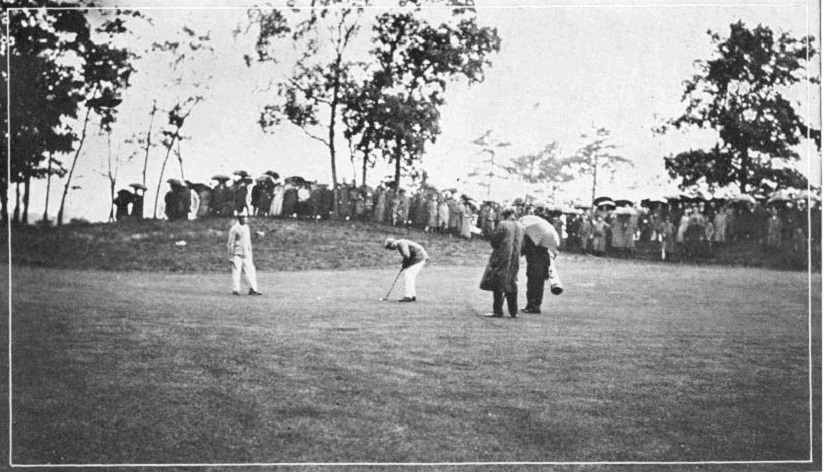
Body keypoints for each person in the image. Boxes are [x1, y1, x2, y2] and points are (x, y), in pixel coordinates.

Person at [480, 207, 525, 318]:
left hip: (501, 257)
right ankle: (513, 311)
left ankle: (498, 310)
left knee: (498, 282)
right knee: (512, 282)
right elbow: (523, 245)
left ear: (505, 215)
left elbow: (494, 240)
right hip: (515, 258)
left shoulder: (503, 224)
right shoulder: (521, 226)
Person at [521, 222, 559, 314]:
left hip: (534, 264)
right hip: (543, 265)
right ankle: (535, 305)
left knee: (531, 285)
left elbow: (526, 250)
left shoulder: (533, 240)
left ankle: (531, 305)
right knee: (539, 285)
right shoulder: (546, 241)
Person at [227, 211, 262, 296]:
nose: (245, 219)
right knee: (236, 271)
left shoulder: (246, 227)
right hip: (237, 254)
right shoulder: (234, 229)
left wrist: (250, 251)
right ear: (239, 218)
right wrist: (230, 256)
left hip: (246, 253)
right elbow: (230, 243)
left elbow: (248, 241)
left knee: (250, 271)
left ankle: (253, 289)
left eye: (245, 217)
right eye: (243, 217)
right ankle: (236, 290)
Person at [384, 238, 429, 302]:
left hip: (420, 256)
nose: (390, 249)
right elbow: (407, 256)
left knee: (409, 275)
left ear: (392, 243)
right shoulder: (399, 244)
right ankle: (412, 296)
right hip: (419, 257)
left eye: (389, 247)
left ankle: (408, 296)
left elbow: (407, 255)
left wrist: (404, 264)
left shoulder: (401, 243)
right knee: (410, 276)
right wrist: (404, 265)